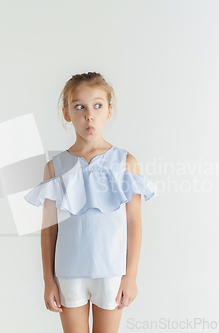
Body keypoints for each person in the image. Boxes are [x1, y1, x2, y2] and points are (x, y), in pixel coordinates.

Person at [24, 71, 157, 333]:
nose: (89, 115)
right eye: (79, 107)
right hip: (69, 272)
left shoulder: (125, 162)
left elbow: (134, 222)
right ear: (66, 113)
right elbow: (49, 229)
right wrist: (48, 280)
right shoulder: (56, 167)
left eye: (97, 105)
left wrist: (131, 277)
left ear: (109, 111)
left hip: (111, 272)